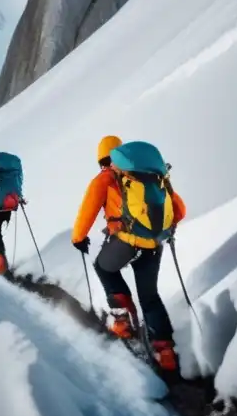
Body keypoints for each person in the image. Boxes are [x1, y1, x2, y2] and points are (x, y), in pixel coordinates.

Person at [71, 136, 186, 373]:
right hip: (154, 243)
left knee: (104, 267)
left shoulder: (104, 178)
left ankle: (122, 320)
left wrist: (78, 238)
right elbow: (180, 210)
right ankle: (165, 351)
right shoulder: (150, 174)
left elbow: (87, 211)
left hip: (125, 242)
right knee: (150, 296)